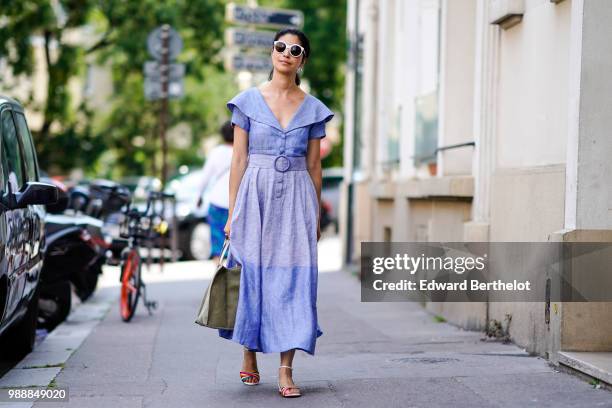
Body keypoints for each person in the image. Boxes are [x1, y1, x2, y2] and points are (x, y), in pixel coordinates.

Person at [218, 28, 334, 398]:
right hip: (255, 194)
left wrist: (315, 215)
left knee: (295, 281)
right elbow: (238, 160)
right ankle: (249, 352)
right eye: (280, 46)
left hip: (297, 196)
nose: (286, 53)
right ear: (272, 53)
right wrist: (232, 212)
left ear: (302, 60)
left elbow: (315, 166)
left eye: (295, 49)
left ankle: (286, 369)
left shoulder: (314, 108)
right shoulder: (247, 102)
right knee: (252, 275)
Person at [196, 121, 233, 264]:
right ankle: (234, 275)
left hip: (217, 202)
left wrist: (199, 196)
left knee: (218, 241)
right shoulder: (244, 151)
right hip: (236, 203)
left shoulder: (216, 152)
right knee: (237, 242)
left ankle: (218, 275)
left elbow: (205, 177)